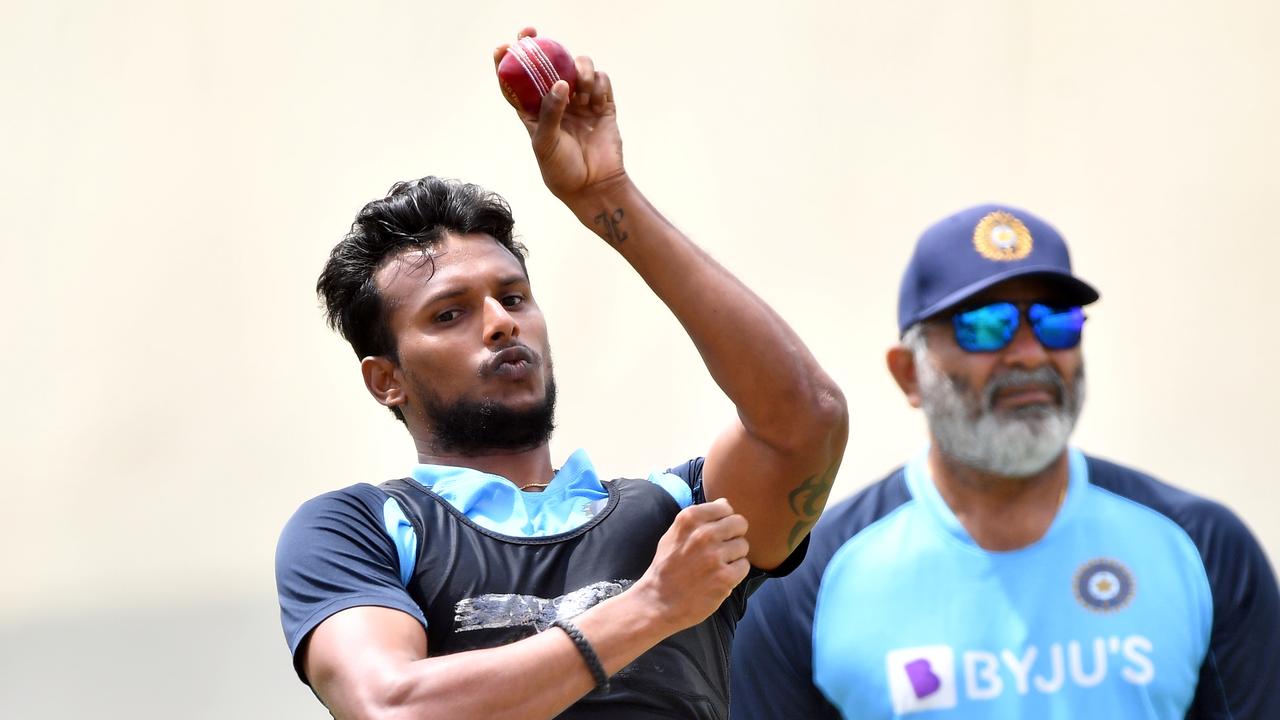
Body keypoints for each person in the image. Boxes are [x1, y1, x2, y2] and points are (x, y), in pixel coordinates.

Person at [273, 29, 848, 720]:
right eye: (450, 314)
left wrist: (610, 197)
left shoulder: (676, 512)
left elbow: (804, 416)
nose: (500, 323)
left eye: (513, 298)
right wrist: (651, 607)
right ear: (385, 379)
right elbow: (394, 708)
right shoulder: (359, 528)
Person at [729, 204, 1280, 718]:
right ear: (908, 373)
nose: (1030, 353)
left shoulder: (1202, 548)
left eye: (1055, 321)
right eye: (985, 326)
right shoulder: (809, 579)